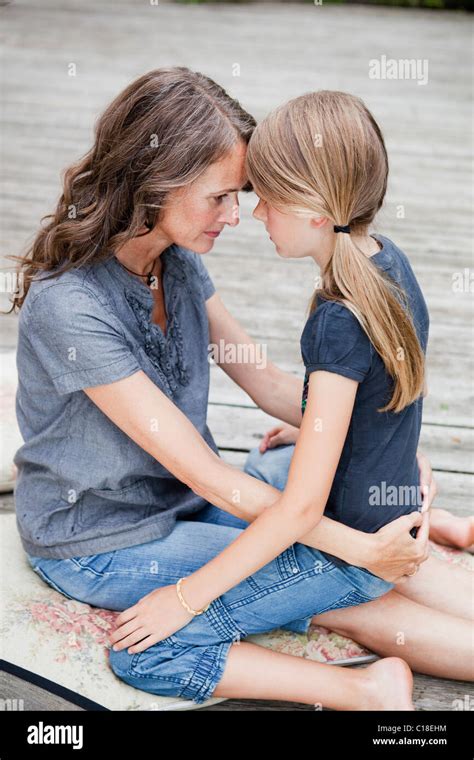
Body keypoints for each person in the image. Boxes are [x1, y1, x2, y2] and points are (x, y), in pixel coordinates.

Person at [8, 69, 470, 710]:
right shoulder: (72, 310)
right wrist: (359, 547)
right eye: (221, 196)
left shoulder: (176, 258)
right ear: (155, 184)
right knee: (343, 576)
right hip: (110, 537)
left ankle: (414, 531)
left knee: (314, 488)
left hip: (188, 497)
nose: (239, 216)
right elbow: (211, 478)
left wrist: (380, 437)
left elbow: (267, 383)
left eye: (245, 194)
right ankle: (362, 688)